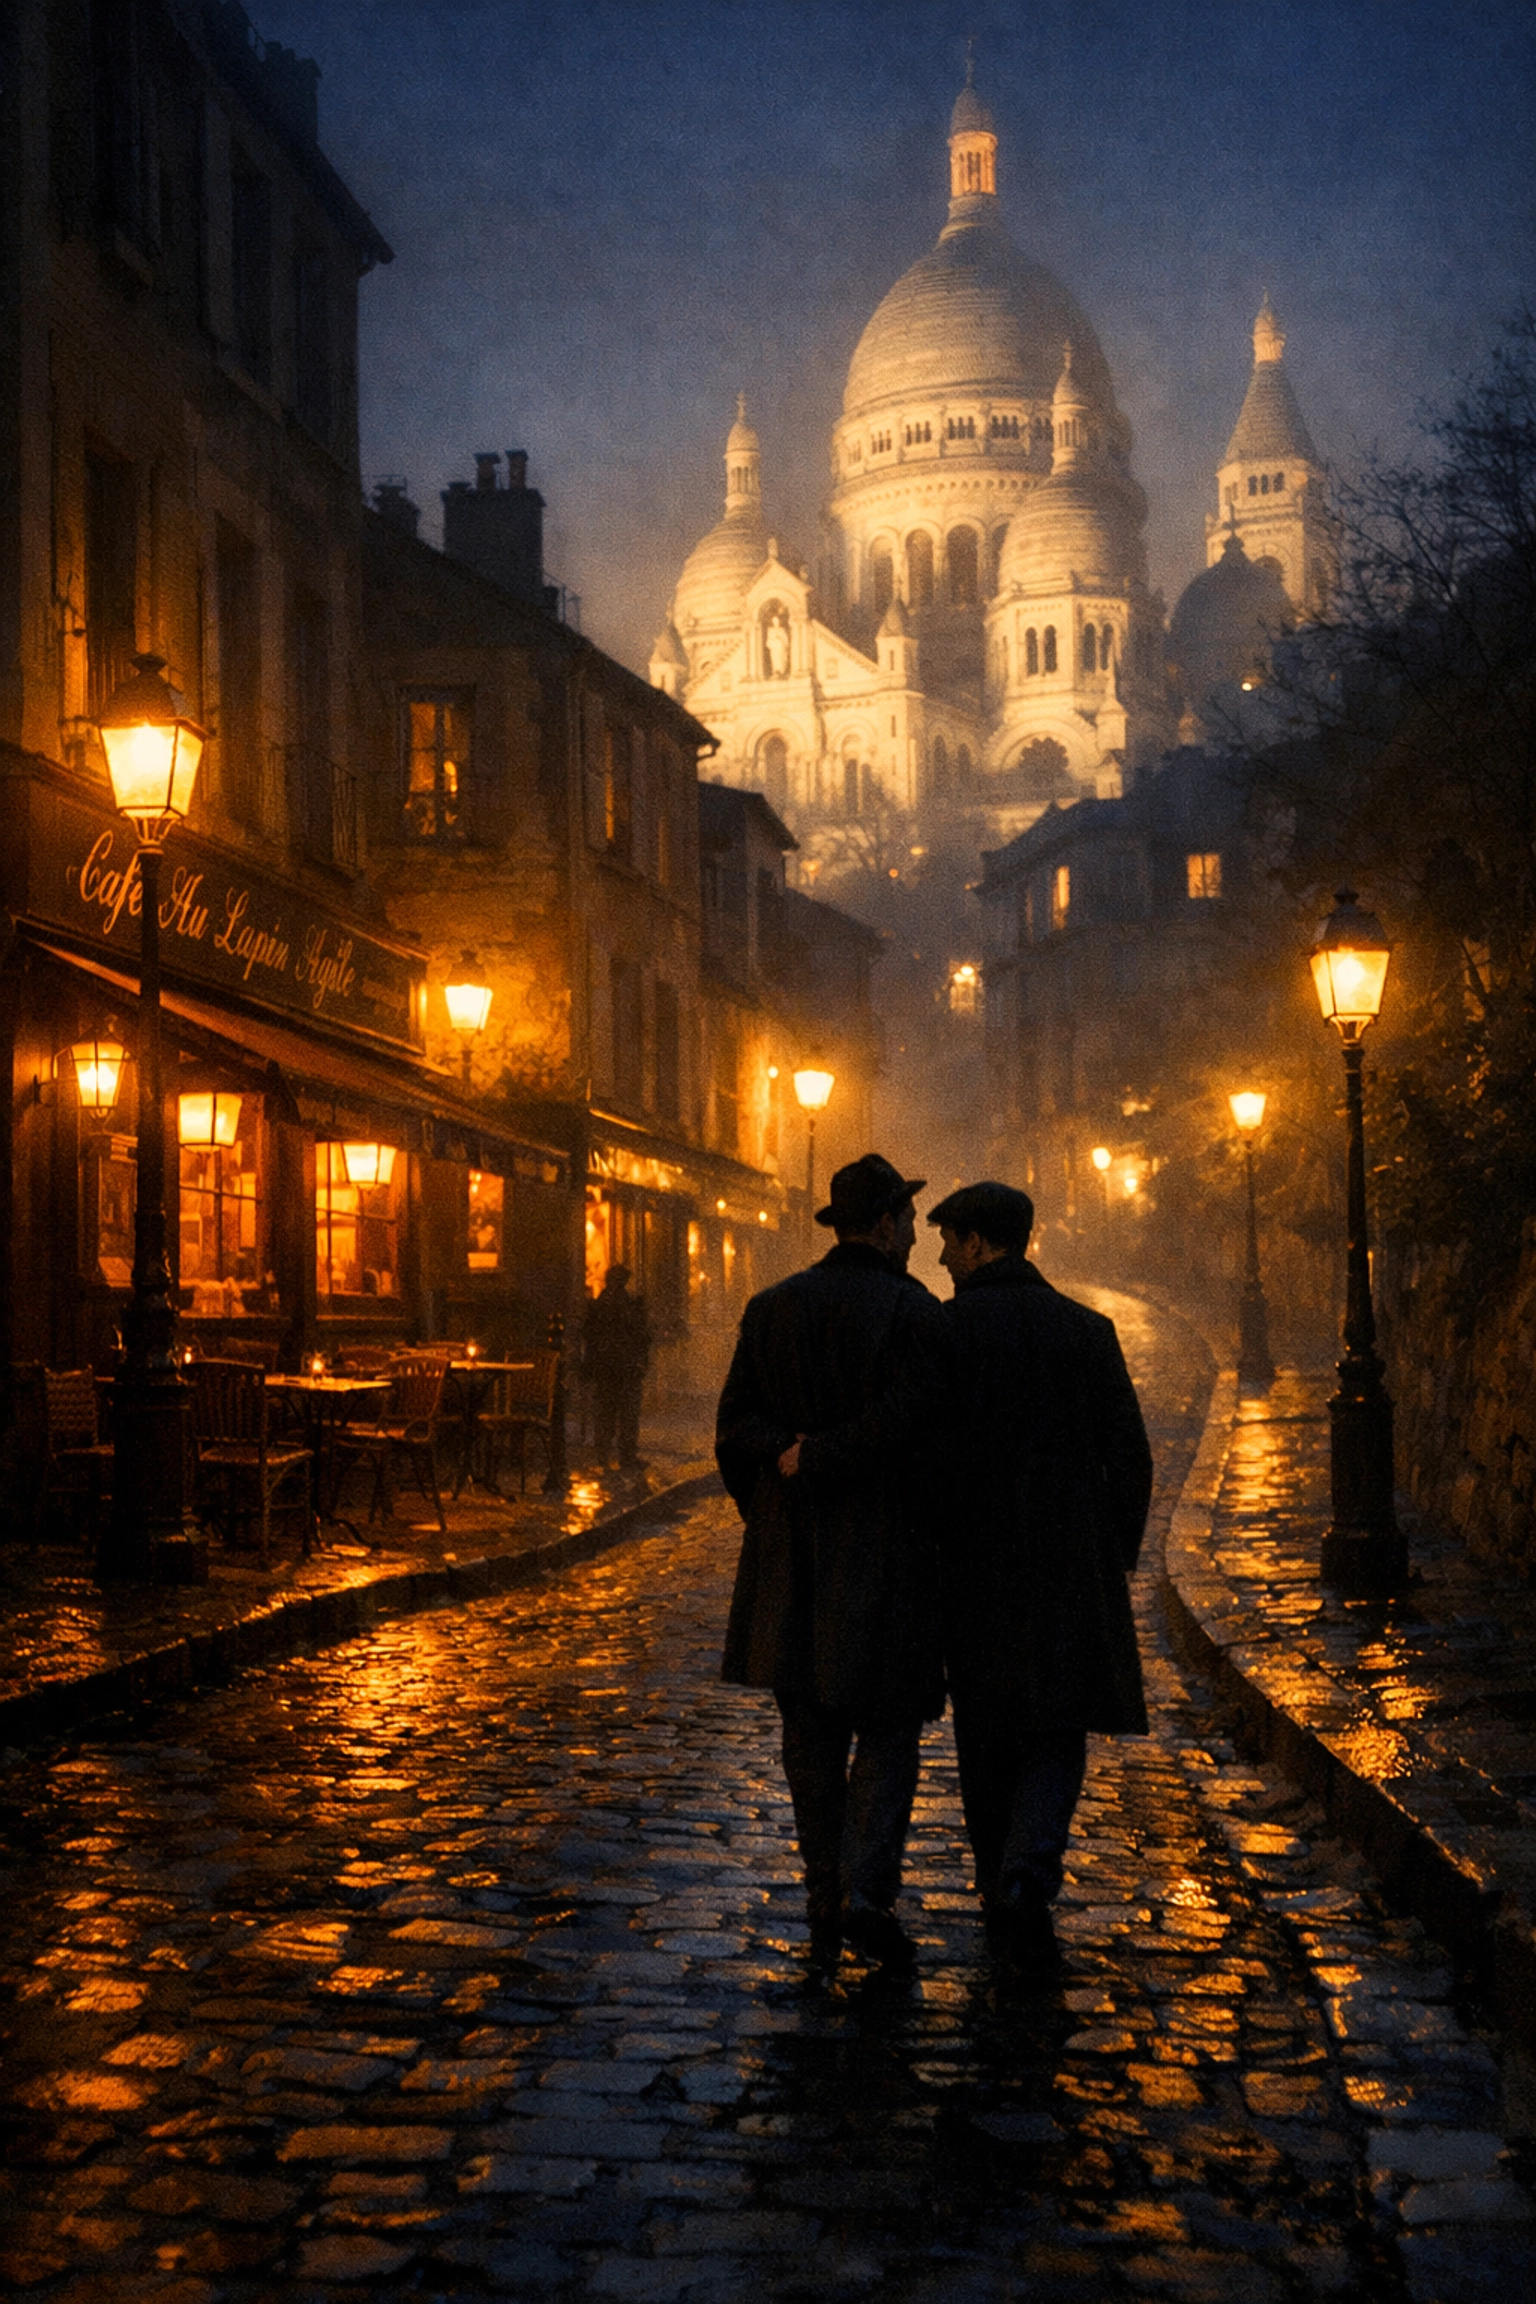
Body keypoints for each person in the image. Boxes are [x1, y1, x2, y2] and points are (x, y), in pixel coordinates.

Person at [717, 1154, 948, 1971]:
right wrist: (832, 1461)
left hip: (792, 1563)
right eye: (910, 1221)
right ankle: (864, 1890)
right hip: (886, 1559)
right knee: (887, 1731)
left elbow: (734, 1430)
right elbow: (923, 1428)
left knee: (808, 1733)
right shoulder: (917, 1315)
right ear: (885, 1224)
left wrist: (785, 1479)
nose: (917, 1235)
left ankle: (824, 1887)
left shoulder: (771, 1308)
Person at [927, 1180, 1152, 1970]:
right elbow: (1129, 1456)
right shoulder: (1086, 1332)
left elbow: (925, 1454)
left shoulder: (945, 1334)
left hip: (973, 1566)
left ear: (981, 1243)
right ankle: (1028, 1872)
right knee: (1056, 1728)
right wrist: (1109, 1553)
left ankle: (1000, 1878)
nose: (944, 1258)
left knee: (986, 1730)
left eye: (951, 1242)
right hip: (1066, 1565)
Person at [584, 1263, 651, 1474]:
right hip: (624, 1368)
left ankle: (605, 1455)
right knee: (626, 1414)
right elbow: (642, 1336)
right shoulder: (627, 1305)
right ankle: (625, 1457)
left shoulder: (601, 1304)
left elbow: (590, 1338)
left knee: (607, 1413)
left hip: (609, 1368)